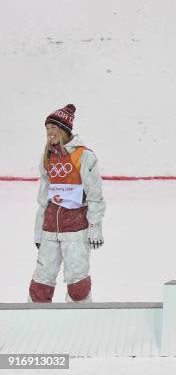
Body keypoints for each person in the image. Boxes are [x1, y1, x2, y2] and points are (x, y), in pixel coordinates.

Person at [29, 104, 106, 302]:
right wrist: (39, 229)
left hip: (76, 230)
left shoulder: (84, 156)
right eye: (47, 129)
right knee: (41, 283)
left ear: (64, 129)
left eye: (53, 128)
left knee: (77, 283)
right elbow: (43, 198)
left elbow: (95, 196)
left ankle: (79, 323)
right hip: (50, 230)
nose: (49, 133)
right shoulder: (48, 156)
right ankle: (33, 323)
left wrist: (94, 227)